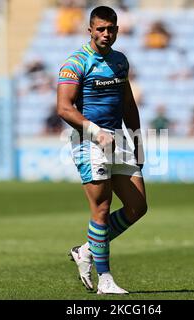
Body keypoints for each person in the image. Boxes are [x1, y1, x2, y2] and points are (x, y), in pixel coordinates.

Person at [57, 6, 147, 295]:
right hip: (89, 141)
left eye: (111, 29)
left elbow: (128, 105)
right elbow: (64, 107)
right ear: (90, 30)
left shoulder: (120, 62)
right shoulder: (76, 62)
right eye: (101, 29)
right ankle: (105, 280)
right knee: (102, 209)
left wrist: (138, 142)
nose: (106, 34)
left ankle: (85, 250)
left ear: (118, 30)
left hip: (119, 139)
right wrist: (96, 132)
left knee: (138, 207)